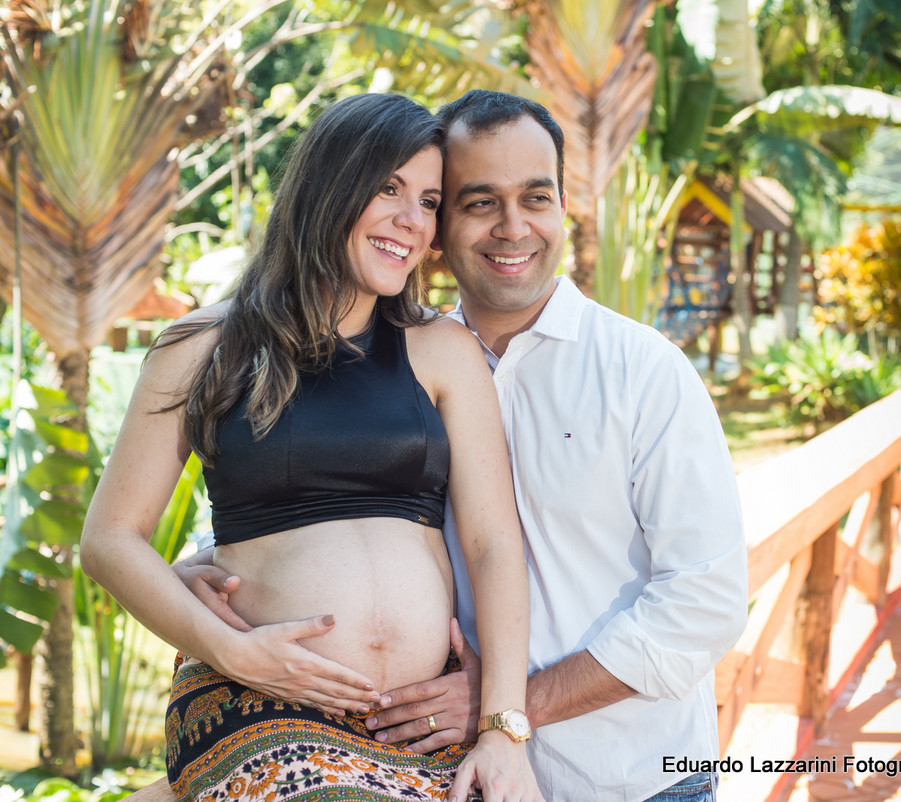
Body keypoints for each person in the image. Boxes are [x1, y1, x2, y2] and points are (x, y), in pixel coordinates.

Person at [134, 89, 747, 802]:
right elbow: (302, 485)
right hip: (413, 747)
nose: (512, 227)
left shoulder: (640, 371)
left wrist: (506, 711)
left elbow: (704, 600)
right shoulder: (419, 351)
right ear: (447, 228)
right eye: (476, 201)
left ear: (564, 206)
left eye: (535, 197)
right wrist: (201, 570)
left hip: (623, 775)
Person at [80, 93, 543, 802]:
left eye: (428, 201)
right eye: (387, 188)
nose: (410, 221)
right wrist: (235, 652)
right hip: (259, 704)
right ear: (330, 186)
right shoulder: (202, 346)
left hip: (416, 730)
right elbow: (111, 539)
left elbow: (493, 546)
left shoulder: (443, 350)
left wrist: (502, 731)